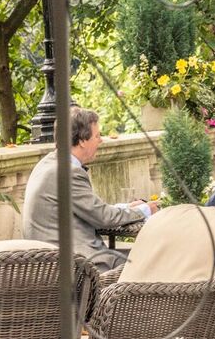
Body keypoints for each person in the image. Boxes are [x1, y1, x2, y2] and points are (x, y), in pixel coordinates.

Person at [21, 106, 156, 272]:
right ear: (83, 141)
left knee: (138, 257)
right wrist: (145, 209)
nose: (101, 140)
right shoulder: (68, 172)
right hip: (77, 264)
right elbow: (104, 217)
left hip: (52, 260)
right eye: (97, 136)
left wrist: (127, 207)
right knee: (150, 262)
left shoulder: (48, 163)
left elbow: (91, 210)